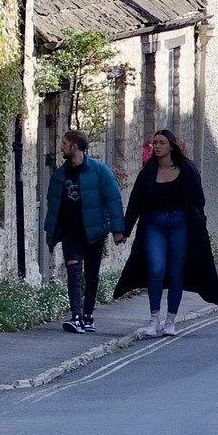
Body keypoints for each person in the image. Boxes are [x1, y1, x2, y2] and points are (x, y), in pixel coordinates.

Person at [113, 129, 218, 334]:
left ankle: (170, 321)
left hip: (180, 225)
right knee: (156, 268)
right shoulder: (148, 171)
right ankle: (154, 319)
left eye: (162, 142)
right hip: (154, 225)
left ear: (171, 146)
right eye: (155, 143)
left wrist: (198, 226)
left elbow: (199, 201)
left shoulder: (187, 170)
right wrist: (124, 230)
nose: (157, 146)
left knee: (175, 271)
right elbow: (136, 201)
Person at [43, 130, 125, 334]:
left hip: (94, 230)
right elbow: (52, 205)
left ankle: (88, 316)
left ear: (75, 146)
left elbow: (113, 199)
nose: (61, 146)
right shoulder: (59, 174)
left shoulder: (99, 171)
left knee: (91, 275)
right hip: (71, 232)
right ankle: (76, 317)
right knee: (73, 274)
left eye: (64, 143)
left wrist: (117, 230)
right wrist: (51, 230)